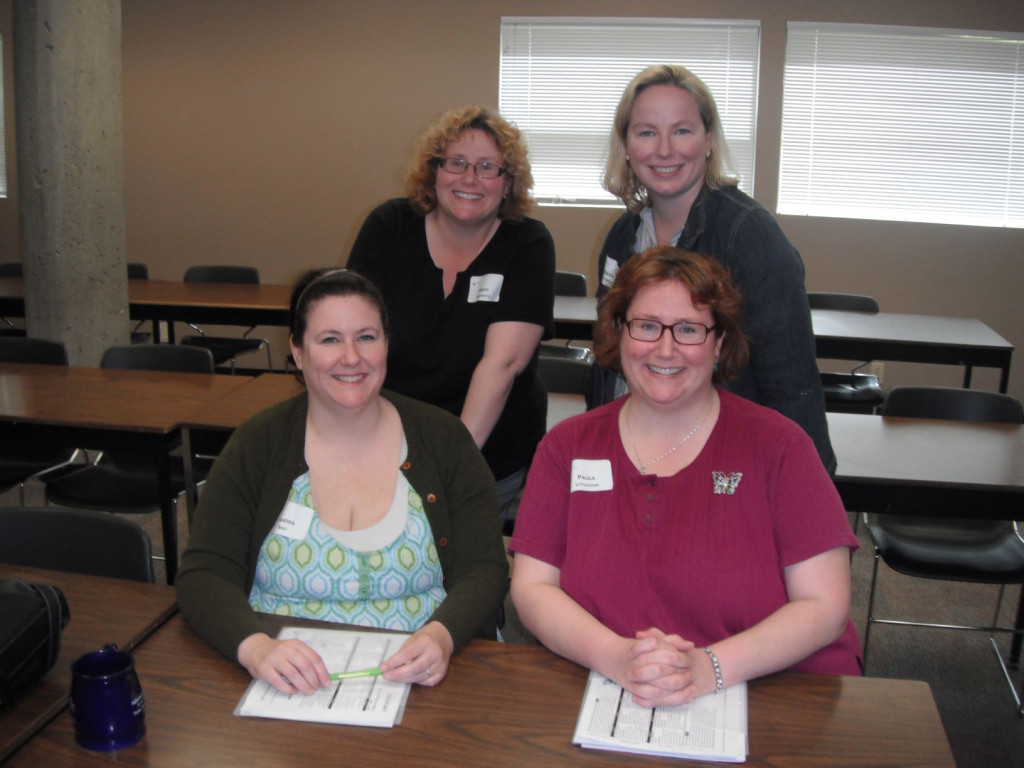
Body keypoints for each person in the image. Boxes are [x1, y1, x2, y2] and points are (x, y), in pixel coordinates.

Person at [510, 247, 860, 708]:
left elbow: (825, 606)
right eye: (648, 325)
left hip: (772, 690)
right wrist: (617, 658)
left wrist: (707, 669)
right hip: (609, 688)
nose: (665, 348)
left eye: (690, 329)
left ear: (719, 344)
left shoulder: (779, 447)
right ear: (620, 332)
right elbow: (533, 588)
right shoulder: (567, 447)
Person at [176, 269, 509, 696]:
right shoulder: (258, 444)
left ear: (387, 344)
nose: (351, 357)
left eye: (366, 337)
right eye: (329, 339)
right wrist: (255, 647)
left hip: (423, 682)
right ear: (297, 351)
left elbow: (484, 568)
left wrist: (442, 635)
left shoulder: (443, 439)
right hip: (284, 683)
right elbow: (205, 574)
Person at [597, 64, 836, 473]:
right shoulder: (624, 236)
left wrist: (807, 494)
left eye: (682, 130)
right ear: (627, 145)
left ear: (708, 140)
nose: (665, 149)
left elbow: (792, 387)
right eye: (647, 132)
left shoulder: (750, 236)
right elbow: (610, 358)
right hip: (633, 451)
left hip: (720, 466)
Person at [346, 105, 556, 524]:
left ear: (508, 182)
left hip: (485, 454)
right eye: (456, 162)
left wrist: (446, 466)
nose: (469, 178)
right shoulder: (389, 227)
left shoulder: (526, 243)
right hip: (387, 439)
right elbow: (353, 339)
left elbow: (503, 363)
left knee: (460, 571)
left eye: (487, 167)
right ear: (434, 170)